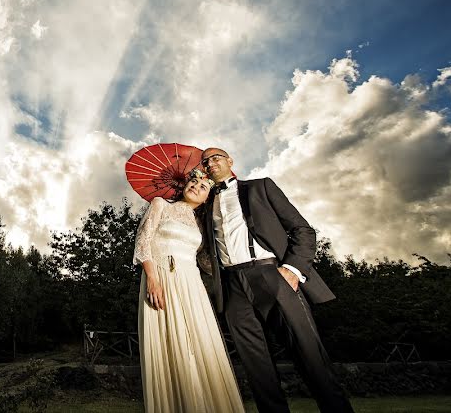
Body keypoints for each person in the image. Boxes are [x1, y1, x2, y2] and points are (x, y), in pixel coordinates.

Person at [200, 147, 353, 413]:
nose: (210, 163)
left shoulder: (260, 187)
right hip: (231, 286)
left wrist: (293, 269)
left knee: (310, 355)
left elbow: (302, 229)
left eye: (216, 157)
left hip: (272, 275)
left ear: (229, 161)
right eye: (205, 161)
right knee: (255, 366)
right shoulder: (204, 206)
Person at [133, 167, 244, 413]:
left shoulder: (201, 225)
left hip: (191, 284)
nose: (195, 186)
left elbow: (205, 263)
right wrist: (152, 278)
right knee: (169, 342)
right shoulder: (161, 204)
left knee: (198, 341)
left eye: (203, 186)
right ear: (184, 186)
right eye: (193, 182)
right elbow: (143, 242)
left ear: (208, 197)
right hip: (161, 277)